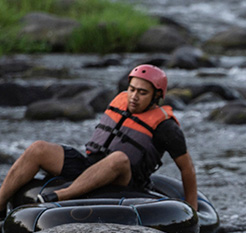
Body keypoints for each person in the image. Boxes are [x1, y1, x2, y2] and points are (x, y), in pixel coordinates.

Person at [0, 64, 198, 212]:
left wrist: (192, 209)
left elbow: (186, 168)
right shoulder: (120, 102)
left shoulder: (166, 127)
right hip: (89, 165)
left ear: (156, 96)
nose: (134, 97)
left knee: (118, 158)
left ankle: (59, 196)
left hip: (126, 181)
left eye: (142, 92)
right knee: (38, 148)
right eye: (132, 89)